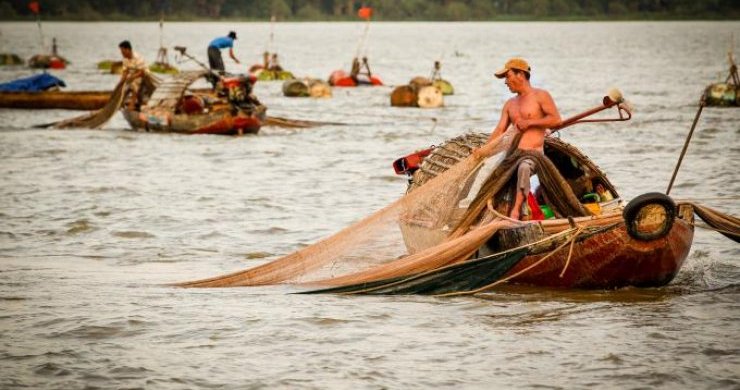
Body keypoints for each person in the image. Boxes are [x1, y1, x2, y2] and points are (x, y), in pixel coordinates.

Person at [472, 58, 562, 220]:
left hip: (534, 155)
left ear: (520, 74)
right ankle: (484, 214)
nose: (506, 82)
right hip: (513, 155)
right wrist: (483, 151)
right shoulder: (510, 104)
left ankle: (516, 212)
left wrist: (530, 122)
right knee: (490, 178)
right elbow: (499, 130)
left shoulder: (540, 96)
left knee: (524, 168)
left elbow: (556, 120)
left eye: (508, 76)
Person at [118, 40, 149, 110]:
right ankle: (121, 102)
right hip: (133, 74)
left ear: (128, 50)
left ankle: (132, 105)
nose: (122, 53)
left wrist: (132, 77)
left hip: (143, 75)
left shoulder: (137, 57)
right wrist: (121, 83)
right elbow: (125, 72)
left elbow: (142, 72)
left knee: (134, 83)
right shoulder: (125, 59)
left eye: (123, 51)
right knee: (124, 85)